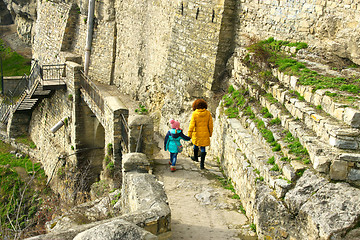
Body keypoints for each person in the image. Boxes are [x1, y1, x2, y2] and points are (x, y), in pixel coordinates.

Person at [188, 99, 213, 169]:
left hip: (196, 133)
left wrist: (189, 134)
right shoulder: (208, 113)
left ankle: (195, 158)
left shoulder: (195, 114)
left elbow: (192, 125)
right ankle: (202, 164)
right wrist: (210, 133)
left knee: (195, 145)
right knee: (203, 147)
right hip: (205, 133)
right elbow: (210, 125)